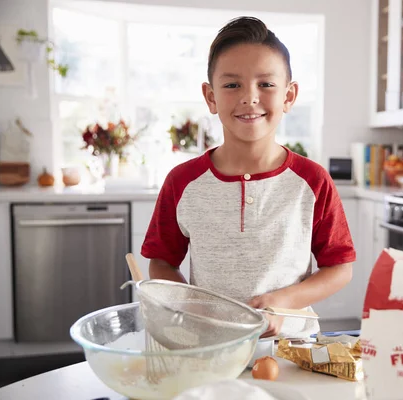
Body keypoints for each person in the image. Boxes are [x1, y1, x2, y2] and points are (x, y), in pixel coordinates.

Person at [141, 16, 355, 338]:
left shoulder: (313, 181)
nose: (250, 97)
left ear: (289, 96)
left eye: (266, 84)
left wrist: (284, 301)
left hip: (292, 347)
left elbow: (339, 268)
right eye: (231, 85)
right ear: (211, 97)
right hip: (209, 344)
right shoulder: (182, 182)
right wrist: (195, 305)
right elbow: (161, 262)